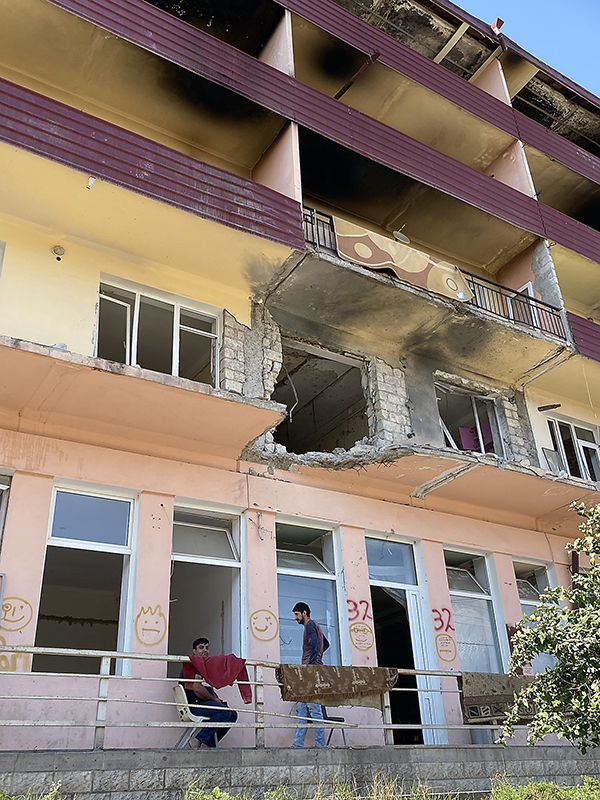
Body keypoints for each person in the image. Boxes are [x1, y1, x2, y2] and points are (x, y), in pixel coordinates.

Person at [181, 637, 238, 749]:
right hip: (194, 705)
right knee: (225, 712)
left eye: (207, 648)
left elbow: (208, 689)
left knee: (233, 715)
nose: (205, 650)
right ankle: (197, 740)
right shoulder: (194, 665)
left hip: (204, 704)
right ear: (194, 651)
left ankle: (208, 744)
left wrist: (218, 700)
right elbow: (197, 688)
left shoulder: (204, 667)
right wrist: (214, 700)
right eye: (201, 647)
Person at [291, 602, 327, 748]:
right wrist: (318, 657)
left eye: (297, 614)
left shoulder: (310, 626)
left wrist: (312, 666)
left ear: (304, 613)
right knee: (302, 709)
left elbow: (315, 646)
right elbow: (325, 644)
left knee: (314, 709)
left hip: (310, 673)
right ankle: (298, 744)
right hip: (311, 671)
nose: (295, 618)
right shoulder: (314, 626)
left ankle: (320, 745)